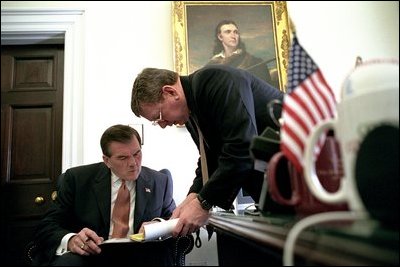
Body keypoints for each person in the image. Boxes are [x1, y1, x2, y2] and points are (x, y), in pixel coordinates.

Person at [130, 64, 285, 237]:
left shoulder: (215, 80)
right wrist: (191, 199)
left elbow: (243, 147)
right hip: (275, 190)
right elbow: (210, 161)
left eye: (158, 117)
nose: (163, 125)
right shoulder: (191, 111)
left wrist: (203, 203)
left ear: (171, 92)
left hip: (301, 175)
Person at [32, 124, 176, 266]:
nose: (133, 163)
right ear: (107, 161)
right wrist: (72, 240)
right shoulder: (77, 179)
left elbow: (173, 219)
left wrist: (157, 225)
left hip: (142, 254)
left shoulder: (159, 181)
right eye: (122, 158)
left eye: (137, 154)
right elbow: (48, 225)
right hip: (92, 254)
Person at [207, 19, 278, 88]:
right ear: (220, 37)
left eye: (236, 32)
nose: (233, 36)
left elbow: (263, 89)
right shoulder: (212, 64)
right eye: (228, 32)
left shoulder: (254, 62)